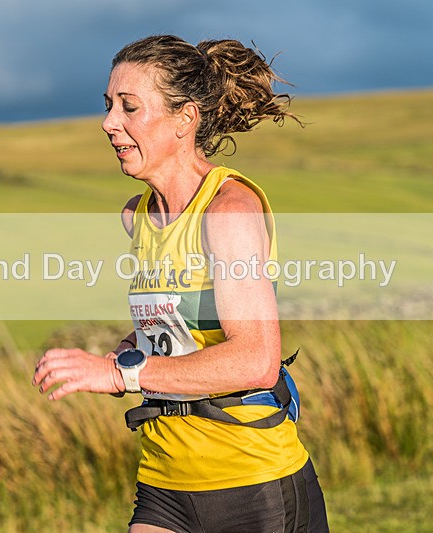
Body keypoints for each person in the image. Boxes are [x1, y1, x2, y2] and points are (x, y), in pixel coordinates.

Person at [33, 35, 329, 532]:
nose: (109, 123)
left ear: (184, 119)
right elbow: (173, 330)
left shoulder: (228, 210)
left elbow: (256, 360)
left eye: (130, 107)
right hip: (164, 480)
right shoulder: (139, 218)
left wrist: (120, 375)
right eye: (108, 106)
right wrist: (118, 356)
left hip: (251, 484)